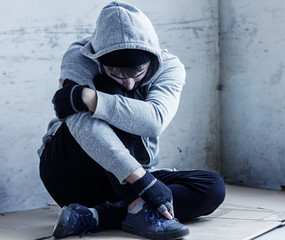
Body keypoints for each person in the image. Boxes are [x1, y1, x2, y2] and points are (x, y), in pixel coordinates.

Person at [38, 1, 226, 239]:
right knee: (107, 87)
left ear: (152, 59)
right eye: (116, 73)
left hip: (124, 179)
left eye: (138, 73)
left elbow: (154, 120)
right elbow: (83, 126)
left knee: (211, 187)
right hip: (70, 172)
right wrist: (142, 181)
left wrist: (88, 97)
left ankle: (98, 216)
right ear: (99, 59)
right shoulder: (79, 55)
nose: (128, 83)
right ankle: (135, 204)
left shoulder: (170, 67)